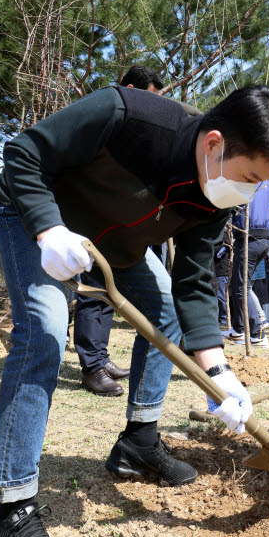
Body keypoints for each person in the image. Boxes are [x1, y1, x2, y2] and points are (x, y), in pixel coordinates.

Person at [0, 84, 269, 537]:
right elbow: (24, 152)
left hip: (114, 247)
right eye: (250, 177)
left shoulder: (218, 194)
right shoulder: (127, 116)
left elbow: (193, 281)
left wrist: (217, 373)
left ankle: (138, 443)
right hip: (33, 218)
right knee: (45, 333)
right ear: (214, 143)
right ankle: (12, 510)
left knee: (167, 312)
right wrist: (48, 228)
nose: (250, 192)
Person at [72, 66, 171, 396]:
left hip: (115, 228)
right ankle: (91, 367)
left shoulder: (136, 130)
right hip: (86, 223)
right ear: (130, 89)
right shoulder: (103, 118)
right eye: (151, 99)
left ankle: (100, 357)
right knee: (93, 293)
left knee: (107, 298)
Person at [226, 178, 269, 348]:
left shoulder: (243, 172)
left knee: (241, 287)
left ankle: (258, 333)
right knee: (239, 285)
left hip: (248, 235)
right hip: (265, 238)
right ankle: (239, 329)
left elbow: (225, 201)